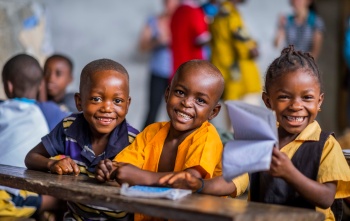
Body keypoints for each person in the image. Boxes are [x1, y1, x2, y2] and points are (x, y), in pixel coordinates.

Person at [160, 46, 350, 221]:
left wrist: (289, 173)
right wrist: (200, 185)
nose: (296, 106)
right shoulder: (260, 142)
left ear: (319, 101)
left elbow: (326, 198)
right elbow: (233, 183)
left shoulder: (326, 145)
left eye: (307, 98)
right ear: (267, 101)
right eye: (284, 97)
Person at [95, 60, 247, 221]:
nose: (186, 103)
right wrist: (110, 169)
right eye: (180, 92)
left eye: (200, 100)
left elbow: (187, 182)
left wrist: (143, 177)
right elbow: (125, 165)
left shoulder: (206, 137)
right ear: (167, 94)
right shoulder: (152, 131)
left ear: (213, 112)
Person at [25, 58, 139, 221]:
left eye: (117, 101)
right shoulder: (68, 127)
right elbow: (31, 158)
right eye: (96, 99)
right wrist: (52, 164)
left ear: (127, 105)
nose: (107, 108)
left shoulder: (134, 140)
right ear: (79, 102)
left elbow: (143, 187)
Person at [0, 54, 67, 220]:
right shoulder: (49, 113)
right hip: (26, 186)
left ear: (8, 86)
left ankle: (50, 203)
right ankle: (51, 204)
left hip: (11, 192)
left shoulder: (2, 109)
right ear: (40, 86)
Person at [209, 0, 261, 104]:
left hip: (227, 76)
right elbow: (243, 44)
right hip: (240, 78)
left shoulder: (219, 13)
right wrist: (252, 48)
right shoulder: (230, 14)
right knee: (248, 115)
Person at [139, 0, 180, 128]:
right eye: (167, 1)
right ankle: (142, 143)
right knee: (153, 110)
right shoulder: (154, 20)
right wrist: (158, 41)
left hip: (178, 73)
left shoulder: (185, 20)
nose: (169, 4)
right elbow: (142, 47)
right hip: (158, 71)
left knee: (178, 111)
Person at [170, 0, 211, 79]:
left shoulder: (176, 12)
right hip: (194, 69)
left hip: (177, 69)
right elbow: (203, 38)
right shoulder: (194, 12)